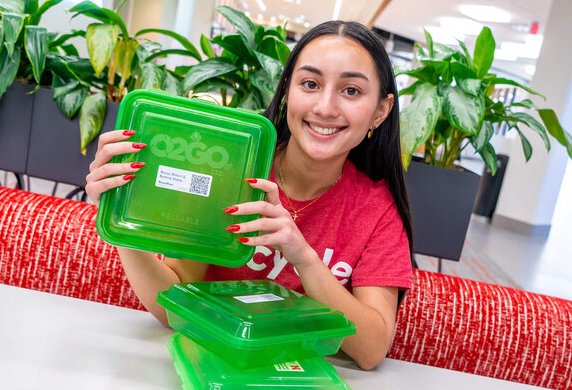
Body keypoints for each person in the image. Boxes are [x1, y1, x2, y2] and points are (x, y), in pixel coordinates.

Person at [85, 21, 414, 370]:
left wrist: (303, 257)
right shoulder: (230, 164)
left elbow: (372, 349)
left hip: (301, 384)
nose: (325, 107)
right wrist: (118, 214)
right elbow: (172, 306)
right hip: (204, 367)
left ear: (380, 111)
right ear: (287, 91)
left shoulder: (378, 210)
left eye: (351, 91)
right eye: (310, 84)